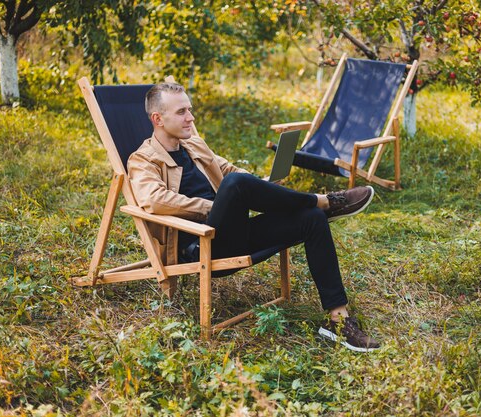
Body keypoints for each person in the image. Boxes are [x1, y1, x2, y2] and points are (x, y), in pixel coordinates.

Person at [127, 82, 380, 352]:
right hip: (201, 247)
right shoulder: (142, 160)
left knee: (311, 218)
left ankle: (338, 321)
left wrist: (262, 187)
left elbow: (227, 168)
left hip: (234, 232)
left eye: (190, 109)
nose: (191, 117)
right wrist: (213, 206)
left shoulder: (193, 145)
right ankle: (326, 201)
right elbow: (153, 200)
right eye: (181, 112)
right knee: (236, 184)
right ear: (158, 119)